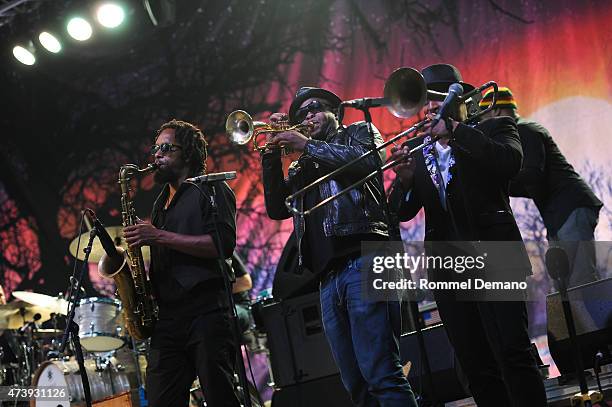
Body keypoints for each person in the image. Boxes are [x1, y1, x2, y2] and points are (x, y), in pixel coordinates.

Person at [388, 64, 547, 406]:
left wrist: (456, 132)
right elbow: (401, 211)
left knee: (513, 353)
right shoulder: (418, 148)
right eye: (423, 102)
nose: (428, 108)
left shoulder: (494, 127)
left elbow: (509, 163)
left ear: (457, 99)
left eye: (436, 99)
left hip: (496, 254)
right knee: (474, 364)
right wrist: (402, 182)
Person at [262, 87, 417, 406]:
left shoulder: (358, 132)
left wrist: (307, 145)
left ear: (336, 110)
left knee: (383, 375)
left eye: (314, 108)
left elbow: (370, 161)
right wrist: (269, 155)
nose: (307, 116)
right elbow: (278, 208)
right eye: (300, 114)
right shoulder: (301, 166)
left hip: (366, 260)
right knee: (356, 384)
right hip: (327, 279)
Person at [124, 119, 239, 407]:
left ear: (187, 153)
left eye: (166, 148)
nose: (157, 155)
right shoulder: (160, 201)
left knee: (220, 397)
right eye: (156, 149)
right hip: (168, 318)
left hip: (207, 312)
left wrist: (158, 236)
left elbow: (222, 245)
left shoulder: (211, 189)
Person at [479, 87, 603, 287]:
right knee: (565, 285)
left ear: (496, 112)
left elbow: (533, 175)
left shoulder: (525, 130)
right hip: (562, 213)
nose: (484, 125)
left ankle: (602, 319)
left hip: (570, 209)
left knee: (583, 281)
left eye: (484, 117)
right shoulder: (524, 131)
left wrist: (497, 183)